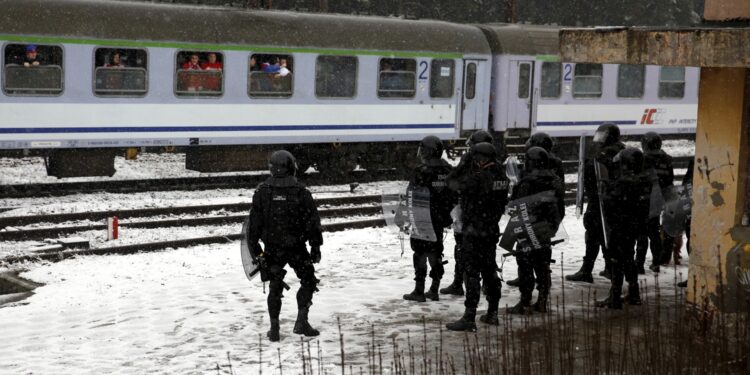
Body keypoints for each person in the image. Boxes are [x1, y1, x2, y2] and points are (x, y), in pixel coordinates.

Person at [246, 150, 323, 342]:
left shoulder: (262, 192)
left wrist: (258, 253)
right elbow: (313, 222)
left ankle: (274, 329)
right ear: (292, 167)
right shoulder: (301, 192)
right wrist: (315, 246)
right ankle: (301, 321)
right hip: (297, 248)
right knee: (308, 281)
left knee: (275, 285)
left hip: (272, 249)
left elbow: (253, 228)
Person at [445, 141, 509, 331]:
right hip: (490, 229)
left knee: (471, 271)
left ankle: (469, 316)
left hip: (474, 230)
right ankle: (492, 312)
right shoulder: (500, 174)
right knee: (489, 269)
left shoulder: (477, 177)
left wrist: (462, 165)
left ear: (479, 158)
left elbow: (452, 183)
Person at [506, 147, 565, 314]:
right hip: (546, 229)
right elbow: (559, 207)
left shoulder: (527, 182)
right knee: (542, 266)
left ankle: (525, 301)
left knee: (525, 265)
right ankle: (542, 300)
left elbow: (517, 205)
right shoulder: (554, 180)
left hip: (528, 228)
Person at [566, 123, 625, 283]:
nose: (598, 139)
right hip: (615, 202)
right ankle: (609, 268)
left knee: (593, 235)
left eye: (602, 135)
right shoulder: (623, 150)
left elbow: (593, 175)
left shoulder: (604, 154)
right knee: (607, 235)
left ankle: (588, 270)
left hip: (599, 200)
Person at [440, 130, 495, 296]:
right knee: (487, 255)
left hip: (470, 215)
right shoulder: (494, 164)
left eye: (471, 146)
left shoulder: (470, 163)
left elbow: (454, 181)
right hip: (489, 219)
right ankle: (488, 284)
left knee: (463, 251)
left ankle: (460, 284)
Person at [402, 136, 457, 302]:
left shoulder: (422, 170)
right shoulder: (447, 169)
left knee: (419, 253)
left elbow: (410, 194)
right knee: (436, 251)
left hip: (422, 218)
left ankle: (419, 290)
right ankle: (434, 289)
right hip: (440, 219)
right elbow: (453, 193)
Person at [596, 147, 650, 308]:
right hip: (634, 227)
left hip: (620, 227)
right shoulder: (644, 180)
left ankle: (615, 296)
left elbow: (611, 205)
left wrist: (605, 192)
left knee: (616, 261)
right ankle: (634, 294)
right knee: (628, 259)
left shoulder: (624, 183)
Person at [635, 132, 674, 273]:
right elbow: (669, 181)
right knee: (654, 231)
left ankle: (639, 264)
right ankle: (656, 261)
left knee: (641, 233)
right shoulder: (667, 160)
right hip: (658, 201)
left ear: (645, 144)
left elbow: (637, 179)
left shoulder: (643, 159)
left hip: (643, 200)